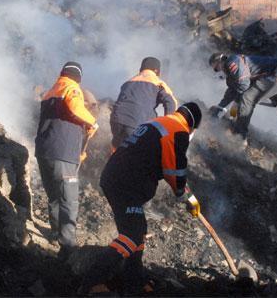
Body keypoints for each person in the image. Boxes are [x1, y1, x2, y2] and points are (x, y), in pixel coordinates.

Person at [80, 102, 203, 295]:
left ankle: (134, 282)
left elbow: (164, 164)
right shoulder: (178, 130)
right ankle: (92, 281)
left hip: (117, 178)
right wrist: (186, 197)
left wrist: (190, 196)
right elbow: (175, 172)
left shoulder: (159, 123)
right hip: (126, 184)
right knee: (131, 235)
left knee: (139, 231)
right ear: (192, 125)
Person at [35, 62, 98, 260]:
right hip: (62, 153)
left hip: (44, 152)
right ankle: (68, 247)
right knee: (69, 200)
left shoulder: (51, 91)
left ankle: (56, 233)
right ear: (77, 77)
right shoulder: (71, 88)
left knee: (54, 195)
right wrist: (92, 121)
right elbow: (75, 106)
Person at [209, 53, 277, 150]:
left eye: (216, 68)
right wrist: (219, 110)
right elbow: (230, 94)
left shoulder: (232, 62)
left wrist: (232, 111)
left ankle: (240, 137)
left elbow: (243, 85)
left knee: (246, 98)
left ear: (221, 60)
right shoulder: (235, 71)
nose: (219, 71)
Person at [109, 57, 177, 150]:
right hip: (136, 123)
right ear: (157, 71)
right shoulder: (158, 82)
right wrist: (168, 128)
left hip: (116, 121)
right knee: (139, 155)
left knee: (118, 151)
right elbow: (171, 103)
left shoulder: (129, 81)